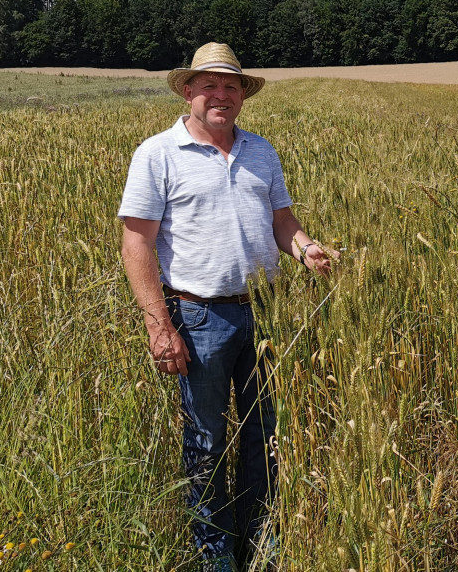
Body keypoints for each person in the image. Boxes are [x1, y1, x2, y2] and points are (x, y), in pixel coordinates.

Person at [119, 42, 337, 572]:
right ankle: (216, 554)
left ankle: (264, 543)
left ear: (243, 95)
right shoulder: (158, 154)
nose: (221, 95)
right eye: (210, 86)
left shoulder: (261, 150)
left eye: (231, 86)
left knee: (267, 434)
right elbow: (136, 244)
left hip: (264, 313)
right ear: (188, 91)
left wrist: (306, 249)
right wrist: (159, 325)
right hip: (197, 320)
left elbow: (281, 220)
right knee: (207, 439)